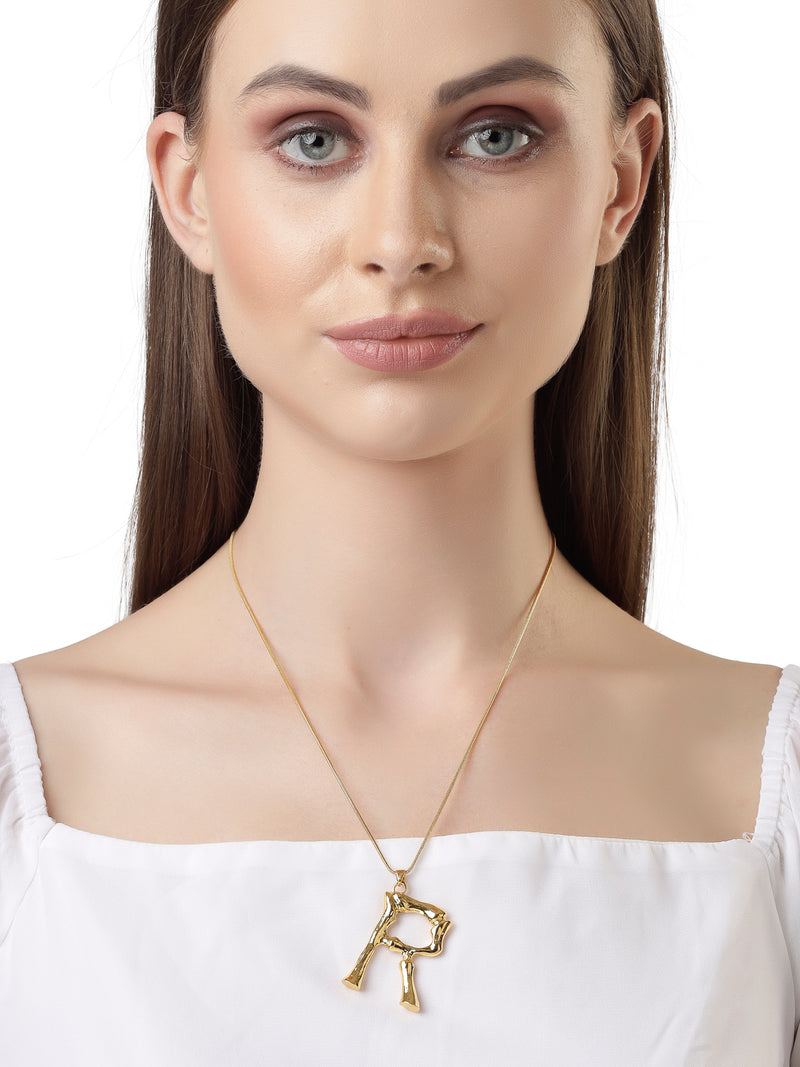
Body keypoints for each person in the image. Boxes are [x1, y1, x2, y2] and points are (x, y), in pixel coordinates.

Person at [0, 0, 797, 1062]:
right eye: (313, 140)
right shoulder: (25, 788)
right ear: (186, 190)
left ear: (621, 182)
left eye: (495, 135)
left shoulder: (769, 789)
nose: (399, 242)